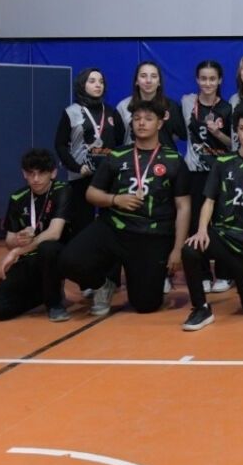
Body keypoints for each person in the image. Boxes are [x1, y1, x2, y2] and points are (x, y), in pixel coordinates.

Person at [59, 98, 190, 316]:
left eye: (148, 119)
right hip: (114, 228)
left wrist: (177, 249)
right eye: (136, 118)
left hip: (151, 235)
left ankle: (146, 275)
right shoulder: (117, 156)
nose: (141, 123)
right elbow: (91, 193)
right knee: (68, 260)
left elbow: (183, 207)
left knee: (146, 305)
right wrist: (115, 200)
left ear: (160, 123)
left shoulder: (174, 160)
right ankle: (103, 285)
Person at [179, 110, 243, 330]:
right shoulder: (223, 162)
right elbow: (209, 200)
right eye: (242, 128)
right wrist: (202, 230)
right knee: (191, 249)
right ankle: (201, 309)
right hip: (223, 238)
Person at [0, 149, 72, 322]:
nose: (36, 179)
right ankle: (42, 295)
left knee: (48, 248)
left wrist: (17, 251)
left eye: (42, 173)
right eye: (31, 174)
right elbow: (9, 241)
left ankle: (54, 304)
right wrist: (18, 239)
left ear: (53, 173)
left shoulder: (62, 190)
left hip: (58, 255)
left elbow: (54, 233)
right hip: (29, 257)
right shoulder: (18, 198)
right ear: (24, 174)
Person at [182, 60, 234, 292]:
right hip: (195, 171)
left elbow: (234, 143)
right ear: (197, 80)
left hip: (220, 171)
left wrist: (218, 134)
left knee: (221, 221)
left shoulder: (227, 108)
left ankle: (224, 273)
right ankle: (202, 274)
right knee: (196, 222)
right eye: (203, 78)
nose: (208, 83)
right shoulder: (187, 102)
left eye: (212, 79)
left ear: (220, 80)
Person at [55, 68, 125, 237]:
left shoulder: (111, 112)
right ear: (82, 85)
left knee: (109, 222)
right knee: (82, 224)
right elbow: (60, 145)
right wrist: (77, 167)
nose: (98, 85)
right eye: (92, 81)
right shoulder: (71, 112)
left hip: (107, 176)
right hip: (81, 175)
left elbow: (120, 141)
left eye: (101, 82)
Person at [116, 61, 186, 149]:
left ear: (159, 82)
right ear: (136, 81)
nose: (148, 80)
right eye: (143, 76)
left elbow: (180, 135)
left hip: (164, 157)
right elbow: (117, 140)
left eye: (154, 76)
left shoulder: (171, 106)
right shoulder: (123, 107)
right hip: (132, 156)